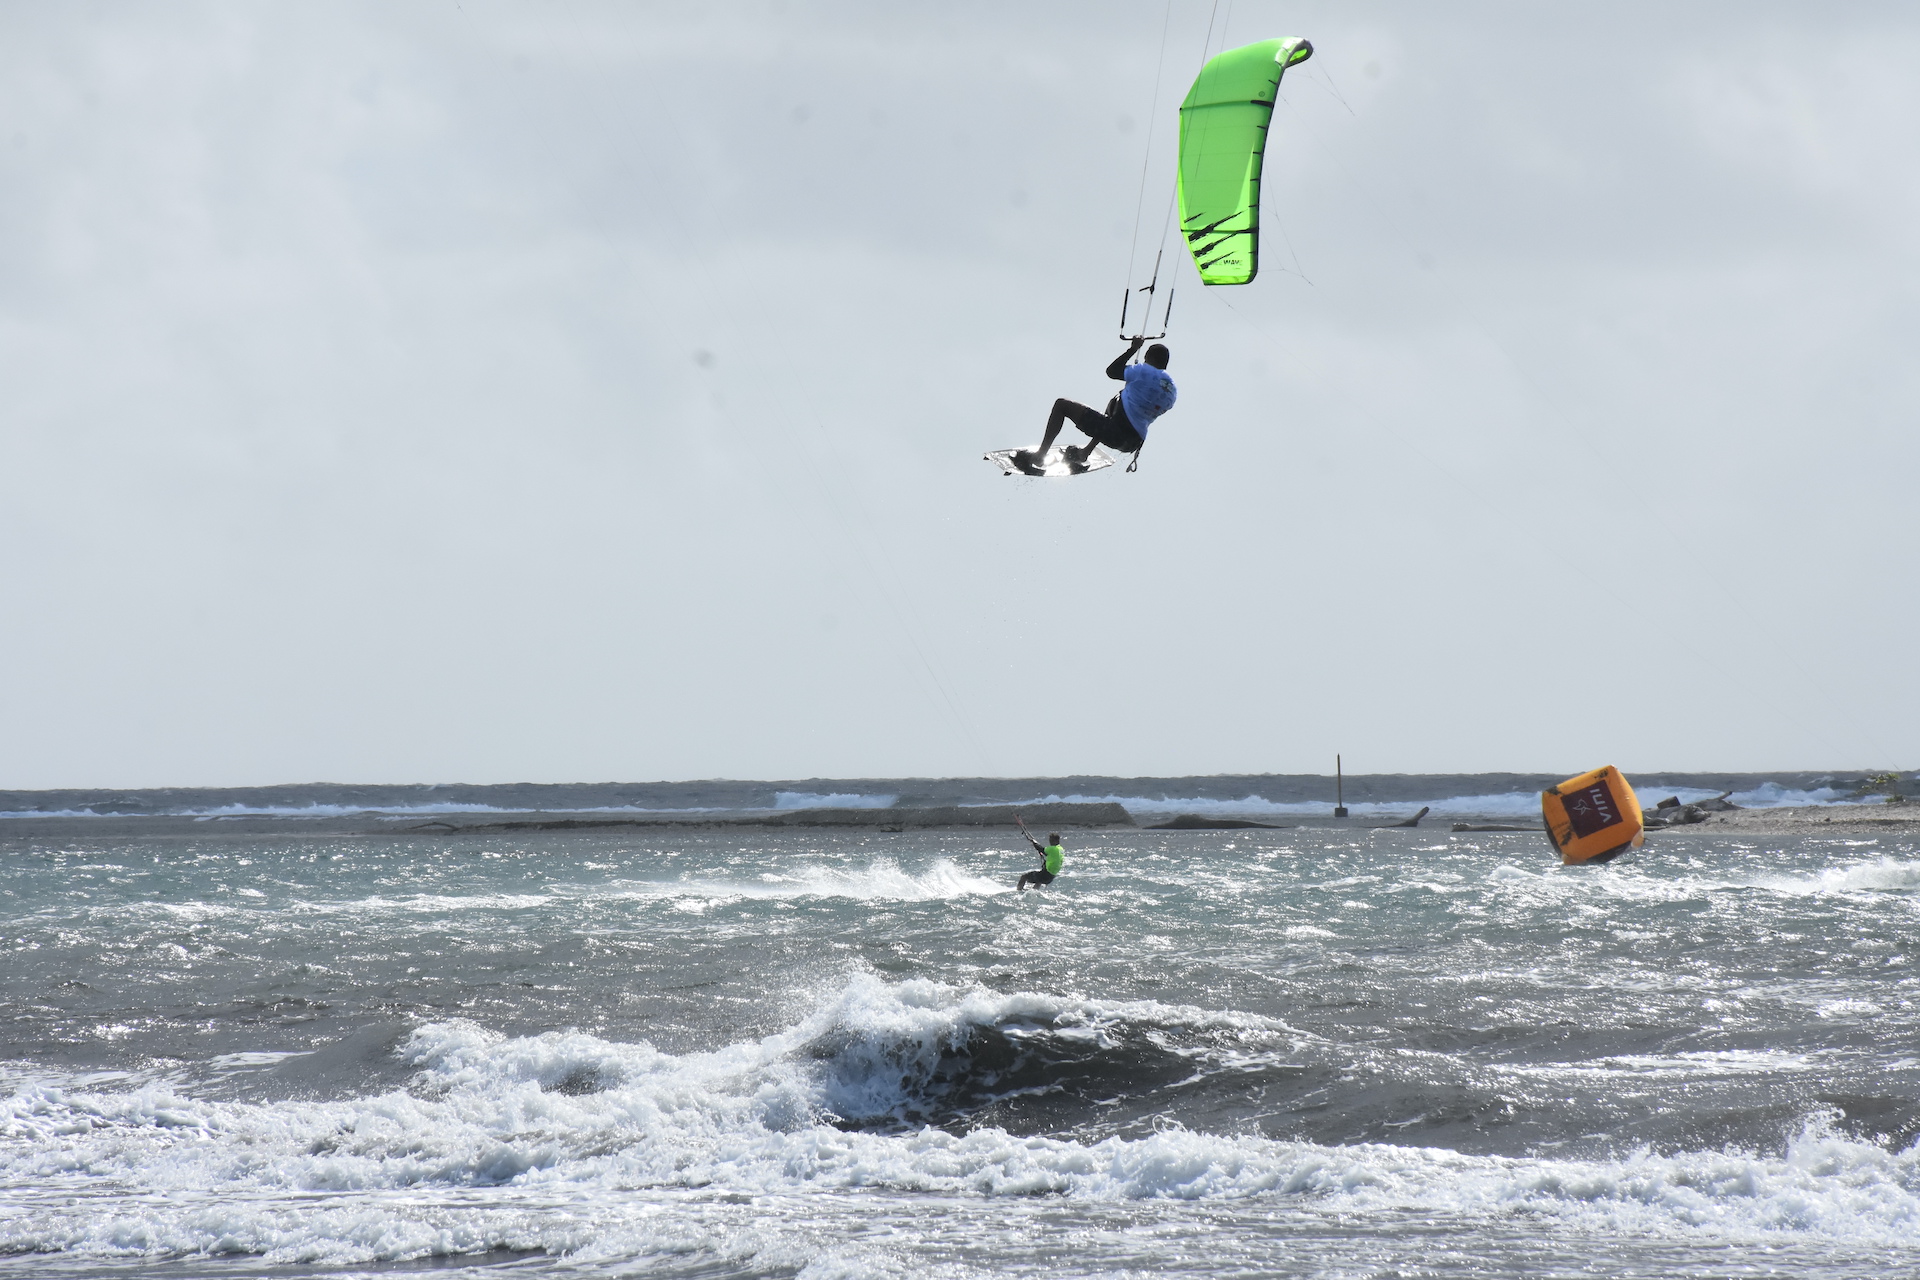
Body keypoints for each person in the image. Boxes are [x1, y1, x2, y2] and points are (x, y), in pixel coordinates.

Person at [1017, 338, 1177, 470]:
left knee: (1061, 405)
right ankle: (1084, 453)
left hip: (1116, 432)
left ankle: (1040, 456)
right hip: (1133, 442)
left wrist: (1133, 349)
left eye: (1145, 358)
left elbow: (1112, 371)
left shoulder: (1144, 371)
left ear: (1149, 357)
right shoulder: (1172, 389)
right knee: (1119, 400)